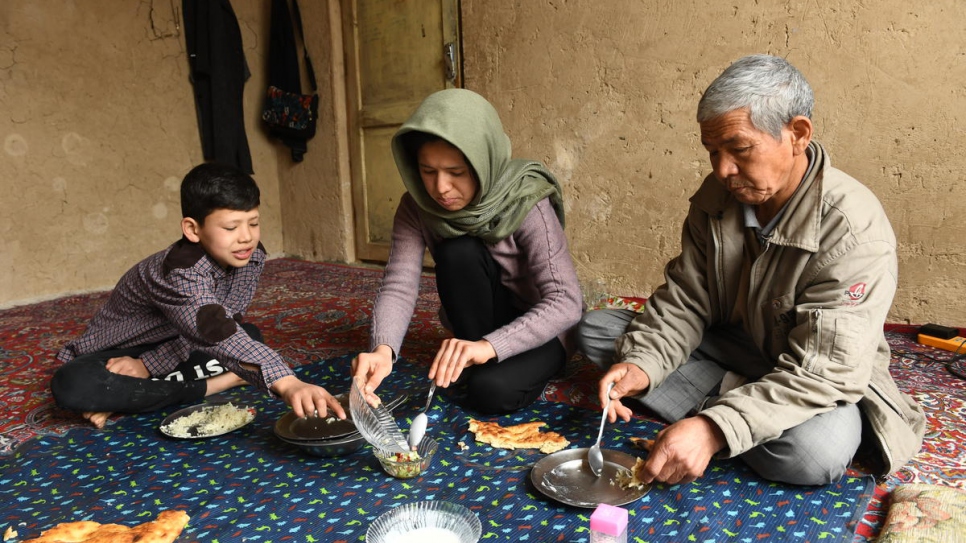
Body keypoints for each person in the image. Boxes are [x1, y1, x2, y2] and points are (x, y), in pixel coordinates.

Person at [576, 54, 925, 486]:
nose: (723, 170)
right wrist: (643, 364)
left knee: (815, 454)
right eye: (713, 153)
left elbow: (824, 372)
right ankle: (739, 413)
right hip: (736, 349)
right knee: (597, 331)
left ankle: (717, 419)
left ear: (797, 134)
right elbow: (687, 299)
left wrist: (713, 429)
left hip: (816, 372)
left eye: (739, 149)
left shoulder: (854, 230)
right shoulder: (718, 197)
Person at [51, 162, 345, 428]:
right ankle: (213, 385)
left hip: (185, 342)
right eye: (231, 227)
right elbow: (213, 332)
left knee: (249, 336)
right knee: (73, 385)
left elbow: (218, 326)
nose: (246, 236)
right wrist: (287, 382)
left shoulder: (250, 256)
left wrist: (148, 367)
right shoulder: (178, 271)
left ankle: (129, 396)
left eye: (253, 223)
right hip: (117, 353)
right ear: (193, 229)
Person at [352, 88, 583, 414]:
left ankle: (497, 365)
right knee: (457, 252)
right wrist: (383, 349)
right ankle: (475, 358)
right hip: (481, 322)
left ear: (483, 161)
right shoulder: (417, 206)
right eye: (427, 171)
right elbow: (399, 283)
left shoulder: (526, 200)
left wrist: (490, 347)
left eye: (456, 173)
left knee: (490, 393)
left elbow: (566, 302)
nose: (441, 188)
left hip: (543, 325)